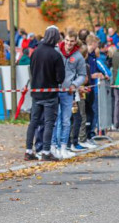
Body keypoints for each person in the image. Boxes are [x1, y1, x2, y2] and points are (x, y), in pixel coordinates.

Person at [24, 26, 64, 161]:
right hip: (50, 94)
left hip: (36, 93)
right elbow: (60, 78)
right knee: (48, 123)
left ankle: (28, 150)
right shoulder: (55, 55)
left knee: (33, 122)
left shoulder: (35, 52)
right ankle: (46, 151)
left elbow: (31, 70)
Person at [50, 30, 86, 160]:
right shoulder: (56, 51)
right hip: (54, 90)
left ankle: (64, 147)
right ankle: (53, 146)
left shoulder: (78, 57)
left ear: (75, 41)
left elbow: (82, 75)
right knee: (54, 119)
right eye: (67, 41)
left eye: (71, 41)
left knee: (65, 120)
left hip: (68, 91)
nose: (68, 44)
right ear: (63, 40)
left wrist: (75, 85)